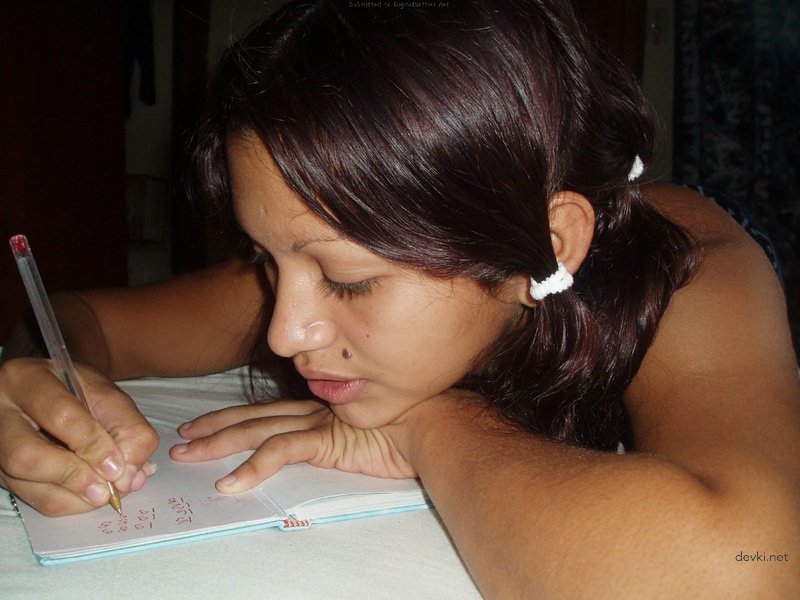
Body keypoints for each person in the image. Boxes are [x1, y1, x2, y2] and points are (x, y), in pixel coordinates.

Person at [1, 0, 798, 596]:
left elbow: (750, 570)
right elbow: (83, 320)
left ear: (548, 246)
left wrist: (429, 425)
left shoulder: (688, 270)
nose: (285, 332)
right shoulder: (315, 258)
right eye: (266, 259)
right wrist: (38, 385)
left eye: (350, 280)